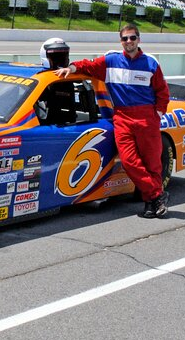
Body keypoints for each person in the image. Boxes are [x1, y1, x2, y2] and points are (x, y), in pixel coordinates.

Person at [54, 24, 171, 218]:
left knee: (152, 164)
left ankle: (151, 204)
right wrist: (71, 67)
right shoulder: (111, 61)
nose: (128, 42)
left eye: (132, 38)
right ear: (120, 41)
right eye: (125, 39)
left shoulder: (151, 63)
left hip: (146, 118)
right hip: (123, 117)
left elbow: (162, 93)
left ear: (138, 40)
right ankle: (158, 195)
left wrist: (156, 115)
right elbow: (88, 65)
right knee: (129, 161)